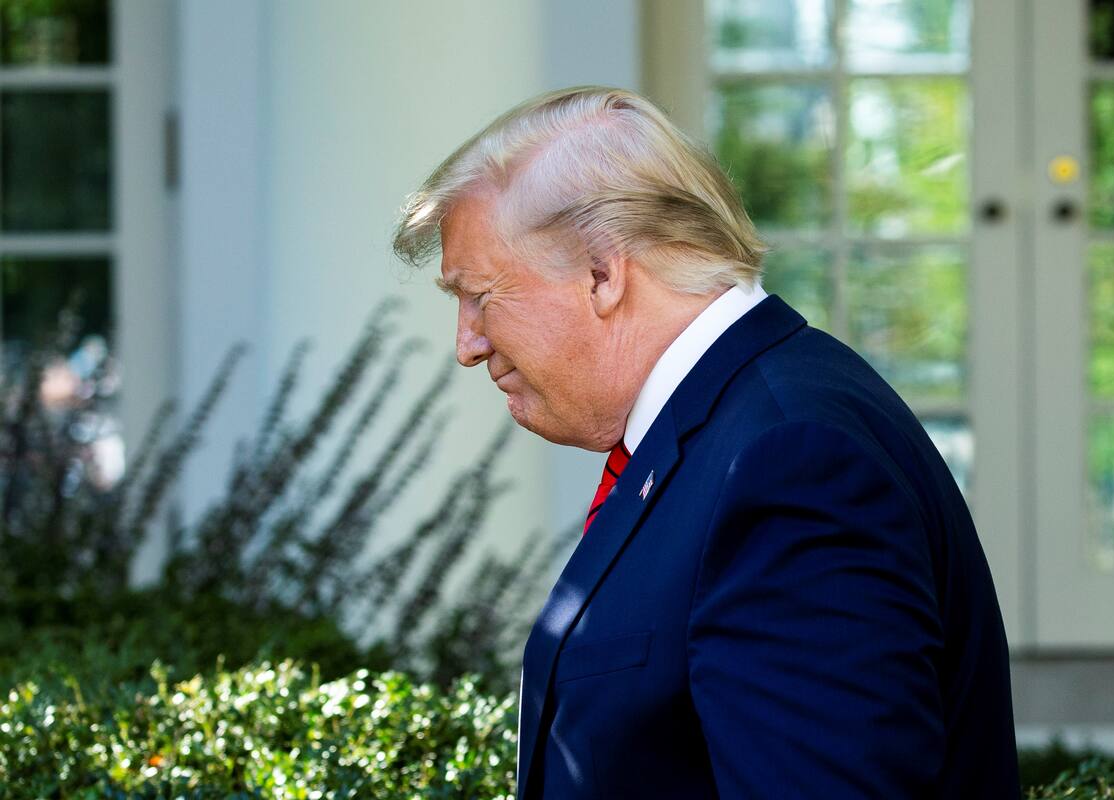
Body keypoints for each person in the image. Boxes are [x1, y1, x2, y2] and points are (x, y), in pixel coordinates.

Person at [393, 86, 1019, 800]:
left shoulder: (789, 461)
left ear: (603, 272)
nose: (467, 345)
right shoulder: (737, 429)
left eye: (480, 295)